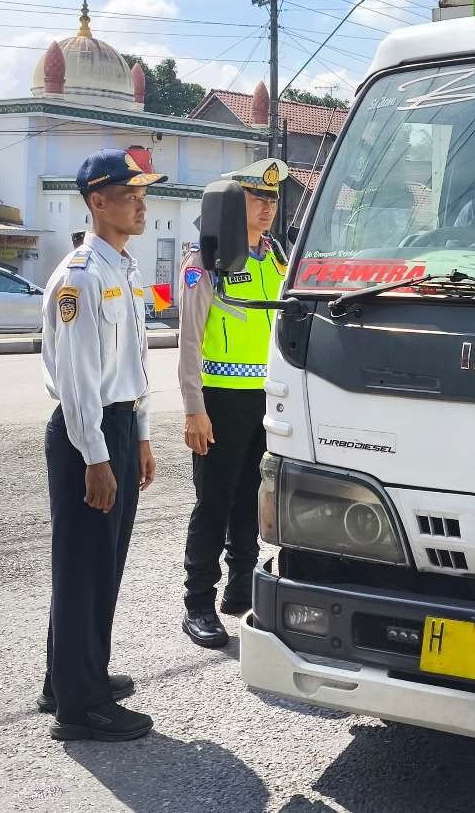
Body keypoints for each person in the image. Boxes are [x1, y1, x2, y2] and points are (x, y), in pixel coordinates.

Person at [38, 148, 163, 742]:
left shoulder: (124, 268)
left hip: (115, 425)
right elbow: (78, 377)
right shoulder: (80, 277)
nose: (142, 205)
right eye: (130, 195)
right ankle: (80, 706)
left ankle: (70, 677)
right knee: (84, 566)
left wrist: (138, 436)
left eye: (143, 194)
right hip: (85, 432)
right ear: (97, 202)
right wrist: (96, 456)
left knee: (100, 564)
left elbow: (133, 364)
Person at [177, 157, 288, 648]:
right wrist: (193, 408)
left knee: (250, 497)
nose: (267, 207)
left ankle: (240, 588)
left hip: (265, 400)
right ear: (231, 201)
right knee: (213, 502)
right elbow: (188, 341)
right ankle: (198, 601)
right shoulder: (207, 259)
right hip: (219, 400)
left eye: (273, 199)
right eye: (257, 197)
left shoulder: (276, 256)